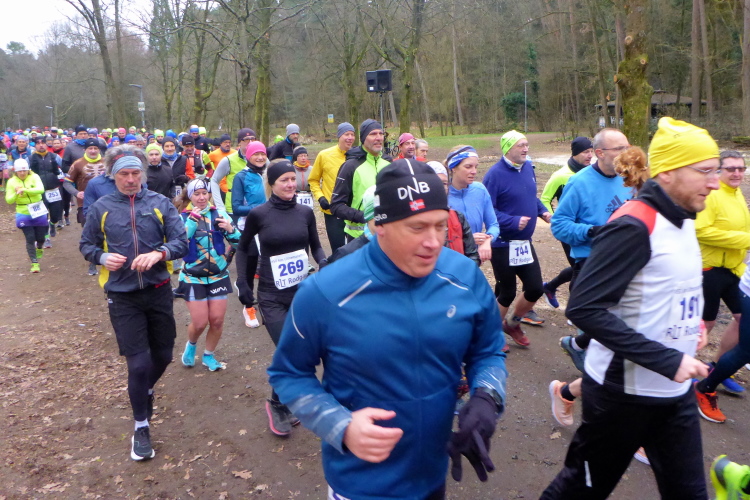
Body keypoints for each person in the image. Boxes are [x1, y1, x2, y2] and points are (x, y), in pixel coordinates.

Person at [268, 160, 507, 499]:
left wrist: (486, 398)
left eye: (440, 226)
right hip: (360, 483)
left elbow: (489, 350)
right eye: (417, 227)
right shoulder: (326, 290)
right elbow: (289, 374)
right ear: (380, 226)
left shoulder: (464, 277)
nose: (433, 242)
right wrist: (341, 426)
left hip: (432, 474)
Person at [540, 117, 717, 499]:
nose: (715, 182)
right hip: (621, 397)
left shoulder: (686, 218)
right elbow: (584, 308)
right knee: (578, 491)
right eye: (705, 171)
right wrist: (666, 359)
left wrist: (693, 324)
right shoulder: (634, 225)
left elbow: (673, 285)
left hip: (675, 395)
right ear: (668, 173)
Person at [79, 145, 188, 462]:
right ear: (113, 176)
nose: (130, 179)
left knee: (164, 356)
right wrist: (101, 257)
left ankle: (145, 389)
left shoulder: (160, 203)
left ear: (142, 174)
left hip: (159, 290)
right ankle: (141, 426)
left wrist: (159, 253)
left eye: (135, 173)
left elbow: (180, 241)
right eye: (124, 174)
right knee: (138, 364)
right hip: (122, 295)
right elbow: (86, 244)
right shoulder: (101, 208)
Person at [238, 160, 326, 436]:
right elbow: (243, 249)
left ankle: (280, 400)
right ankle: (277, 406)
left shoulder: (305, 212)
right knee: (289, 350)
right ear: (272, 184)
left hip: (301, 293)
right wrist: (243, 283)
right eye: (283, 180)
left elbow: (316, 246)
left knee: (301, 352)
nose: (290, 184)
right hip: (271, 295)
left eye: (292, 179)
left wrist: (325, 262)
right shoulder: (259, 214)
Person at [551, 129, 633, 370]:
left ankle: (580, 348)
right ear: (600, 153)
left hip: (624, 259)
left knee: (626, 315)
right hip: (591, 261)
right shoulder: (579, 182)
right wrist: (592, 231)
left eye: (628, 147)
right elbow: (559, 225)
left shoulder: (631, 178)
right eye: (619, 149)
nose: (626, 153)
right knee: (597, 318)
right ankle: (587, 366)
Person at [483, 130, 551, 345]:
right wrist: (512, 221)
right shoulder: (494, 175)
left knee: (535, 288)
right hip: (502, 242)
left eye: (526, 145)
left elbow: (531, 197)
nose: (525, 149)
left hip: (523, 243)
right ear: (508, 149)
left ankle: (512, 323)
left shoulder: (528, 167)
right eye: (520, 145)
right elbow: (488, 210)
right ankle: (489, 338)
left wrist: (543, 211)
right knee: (507, 293)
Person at [693, 150, 750, 404]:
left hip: (733, 270)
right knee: (705, 324)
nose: (737, 173)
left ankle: (716, 367)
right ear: (719, 170)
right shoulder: (713, 194)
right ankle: (675, 370)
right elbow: (701, 230)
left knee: (740, 318)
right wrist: (745, 240)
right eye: (730, 169)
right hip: (710, 268)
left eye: (741, 168)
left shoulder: (736, 193)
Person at [175, 179, 240, 372]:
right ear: (190, 196)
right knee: (200, 322)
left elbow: (239, 244)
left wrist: (231, 230)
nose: (202, 197)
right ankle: (191, 345)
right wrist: (192, 220)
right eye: (197, 194)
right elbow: (179, 244)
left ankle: (209, 355)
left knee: (217, 320)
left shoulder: (219, 214)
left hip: (218, 275)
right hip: (192, 277)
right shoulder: (181, 217)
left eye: (205, 193)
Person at [539, 136, 594, 308]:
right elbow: (544, 199)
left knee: (584, 266)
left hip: (588, 228)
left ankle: (550, 287)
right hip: (568, 229)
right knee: (581, 268)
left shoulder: (592, 173)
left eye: (591, 151)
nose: (590, 155)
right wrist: (552, 218)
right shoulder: (560, 176)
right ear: (575, 153)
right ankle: (576, 309)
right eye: (585, 152)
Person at [330, 119, 391, 242]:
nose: (378, 138)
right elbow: (336, 206)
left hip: (387, 236)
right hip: (358, 237)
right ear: (363, 139)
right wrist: (366, 217)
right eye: (373, 134)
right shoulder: (350, 166)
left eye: (381, 133)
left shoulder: (389, 163)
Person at [231, 141, 268, 328]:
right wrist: (259, 209)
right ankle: (248, 307)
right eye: (256, 154)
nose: (260, 157)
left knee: (269, 269)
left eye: (263, 154)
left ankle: (271, 304)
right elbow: (236, 207)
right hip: (249, 229)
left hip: (269, 227)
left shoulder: (270, 173)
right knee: (249, 270)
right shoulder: (241, 177)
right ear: (248, 156)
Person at [445, 145, 498, 265]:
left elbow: (493, 225)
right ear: (453, 168)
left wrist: (488, 240)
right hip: (450, 261)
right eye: (468, 167)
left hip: (474, 260)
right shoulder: (443, 194)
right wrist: (467, 239)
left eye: (476, 166)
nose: (474, 171)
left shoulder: (480, 190)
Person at [308, 122, 355, 253]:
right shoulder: (324, 155)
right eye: (346, 134)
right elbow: (313, 180)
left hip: (353, 211)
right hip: (332, 210)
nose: (350, 138)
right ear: (339, 136)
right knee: (338, 251)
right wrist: (321, 198)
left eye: (352, 134)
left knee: (355, 251)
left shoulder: (358, 156)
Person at [5, 159, 47, 273]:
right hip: (23, 211)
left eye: (25, 170)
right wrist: (16, 193)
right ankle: (34, 263)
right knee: (30, 238)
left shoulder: (35, 177)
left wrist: (25, 190)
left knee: (41, 238)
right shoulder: (11, 182)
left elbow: (41, 189)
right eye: (20, 171)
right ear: (16, 171)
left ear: (28, 170)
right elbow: (9, 200)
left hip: (38, 209)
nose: (22, 173)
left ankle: (39, 247)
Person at [210, 128, 256, 215]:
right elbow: (214, 180)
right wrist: (220, 206)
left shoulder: (262, 159)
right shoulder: (228, 160)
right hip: (234, 209)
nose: (250, 142)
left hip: (257, 209)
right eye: (246, 139)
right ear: (239, 142)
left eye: (253, 139)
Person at [28, 137, 64, 245]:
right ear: (35, 145)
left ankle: (52, 224)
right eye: (38, 143)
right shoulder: (30, 159)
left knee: (56, 215)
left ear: (47, 144)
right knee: (42, 217)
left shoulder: (54, 157)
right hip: (39, 192)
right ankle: (46, 238)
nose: (41, 145)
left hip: (54, 190)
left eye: (43, 143)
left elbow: (66, 168)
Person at [62, 125, 90, 226]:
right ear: (76, 135)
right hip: (79, 181)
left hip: (93, 179)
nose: (83, 136)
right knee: (84, 204)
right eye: (81, 134)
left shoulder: (93, 146)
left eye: (85, 134)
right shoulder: (70, 147)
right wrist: (76, 171)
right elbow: (64, 166)